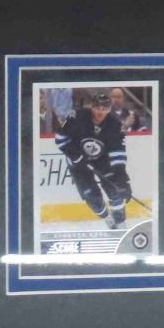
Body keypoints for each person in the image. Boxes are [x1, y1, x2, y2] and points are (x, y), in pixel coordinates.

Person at [55, 93, 133, 228]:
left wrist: (122, 179)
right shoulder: (75, 116)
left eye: (105, 109)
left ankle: (120, 223)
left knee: (115, 190)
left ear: (109, 109)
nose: (100, 112)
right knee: (91, 196)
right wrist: (75, 155)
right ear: (92, 107)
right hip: (77, 162)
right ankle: (108, 218)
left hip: (102, 161)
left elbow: (118, 154)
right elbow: (60, 138)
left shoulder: (116, 125)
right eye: (97, 108)